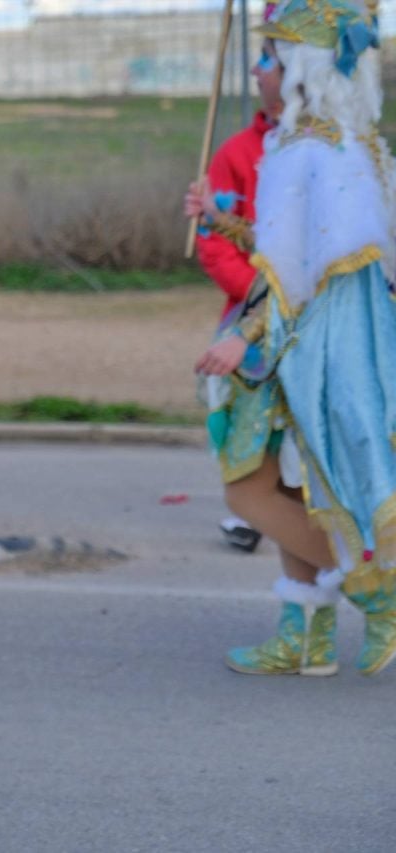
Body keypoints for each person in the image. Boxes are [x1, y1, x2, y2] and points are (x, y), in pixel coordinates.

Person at [194, 0, 396, 677]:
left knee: (246, 487)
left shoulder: (303, 148)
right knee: (293, 485)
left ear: (300, 68)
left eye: (270, 57)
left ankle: (379, 587)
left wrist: (241, 338)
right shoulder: (351, 141)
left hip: (302, 348)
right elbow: (303, 252)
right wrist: (224, 226)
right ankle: (303, 637)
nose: (258, 69)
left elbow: (289, 279)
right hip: (335, 347)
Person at [184, 25, 286, 555]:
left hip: (307, 318)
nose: (254, 70)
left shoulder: (320, 151)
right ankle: (250, 508)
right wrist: (262, 301)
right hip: (250, 312)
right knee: (242, 417)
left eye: (265, 59)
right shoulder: (234, 153)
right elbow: (215, 243)